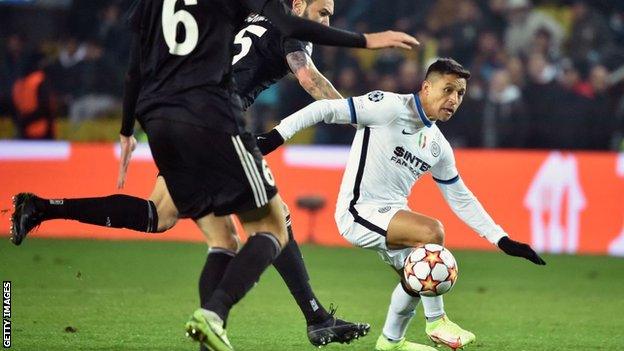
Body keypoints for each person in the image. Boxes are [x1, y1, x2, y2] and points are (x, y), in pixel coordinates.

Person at [9, 1, 418, 351]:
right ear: (298, 4)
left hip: (166, 112)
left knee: (169, 219)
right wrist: (360, 113)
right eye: (323, 12)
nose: (325, 22)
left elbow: (139, 58)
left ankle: (42, 208)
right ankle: (302, 318)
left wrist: (127, 124)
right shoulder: (285, 23)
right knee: (275, 224)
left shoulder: (249, 15)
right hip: (219, 117)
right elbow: (309, 78)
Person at [256, 58, 546, 351]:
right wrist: (276, 136)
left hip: (392, 215)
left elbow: (460, 196)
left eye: (460, 94)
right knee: (433, 234)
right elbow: (325, 108)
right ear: (426, 87)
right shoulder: (388, 106)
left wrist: (501, 239)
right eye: (447, 90)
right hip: (358, 211)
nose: (453, 100)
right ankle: (437, 321)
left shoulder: (438, 146)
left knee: (418, 278)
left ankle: (391, 341)